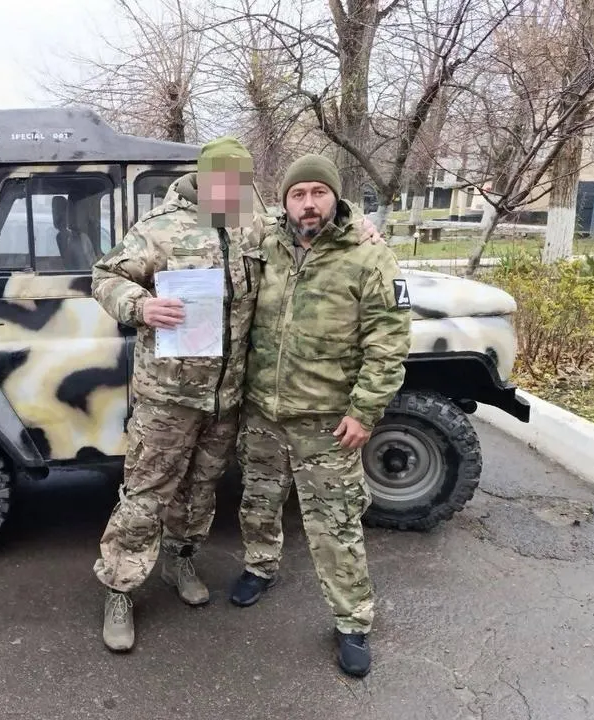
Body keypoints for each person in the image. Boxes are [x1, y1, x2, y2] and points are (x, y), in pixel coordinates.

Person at [229, 154, 412, 678]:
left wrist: (365, 411)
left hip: (329, 422)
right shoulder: (266, 243)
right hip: (264, 411)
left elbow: (389, 340)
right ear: (284, 201)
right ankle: (260, 567)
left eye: (318, 192)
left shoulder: (369, 256)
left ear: (336, 197)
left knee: (336, 524)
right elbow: (217, 212)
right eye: (297, 194)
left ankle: (352, 621)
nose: (308, 203)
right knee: (258, 501)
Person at [90, 136, 270, 652]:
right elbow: (105, 276)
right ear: (204, 179)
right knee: (147, 493)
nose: (233, 192)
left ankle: (180, 560)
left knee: (201, 489)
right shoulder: (158, 229)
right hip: (168, 395)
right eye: (225, 182)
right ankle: (120, 587)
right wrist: (139, 305)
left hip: (225, 395)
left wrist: (364, 226)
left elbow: (313, 235)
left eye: (242, 184)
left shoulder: (255, 224)